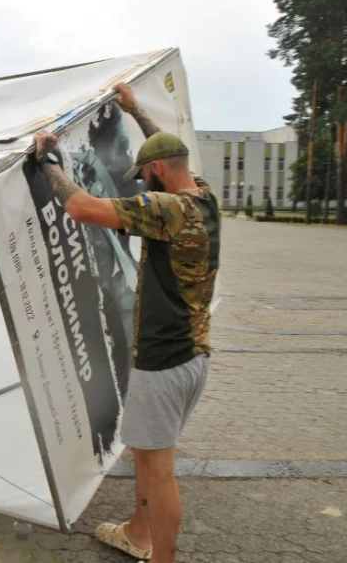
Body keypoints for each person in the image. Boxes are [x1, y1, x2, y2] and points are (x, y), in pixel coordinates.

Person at [32, 83, 220, 563]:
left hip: (163, 362)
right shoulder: (204, 198)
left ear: (157, 172)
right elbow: (169, 150)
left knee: (159, 472)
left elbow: (80, 208)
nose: (142, 183)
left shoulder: (167, 210)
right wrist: (136, 112)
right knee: (149, 455)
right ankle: (138, 531)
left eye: (145, 175)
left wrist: (50, 162)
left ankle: (161, 557)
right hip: (193, 357)